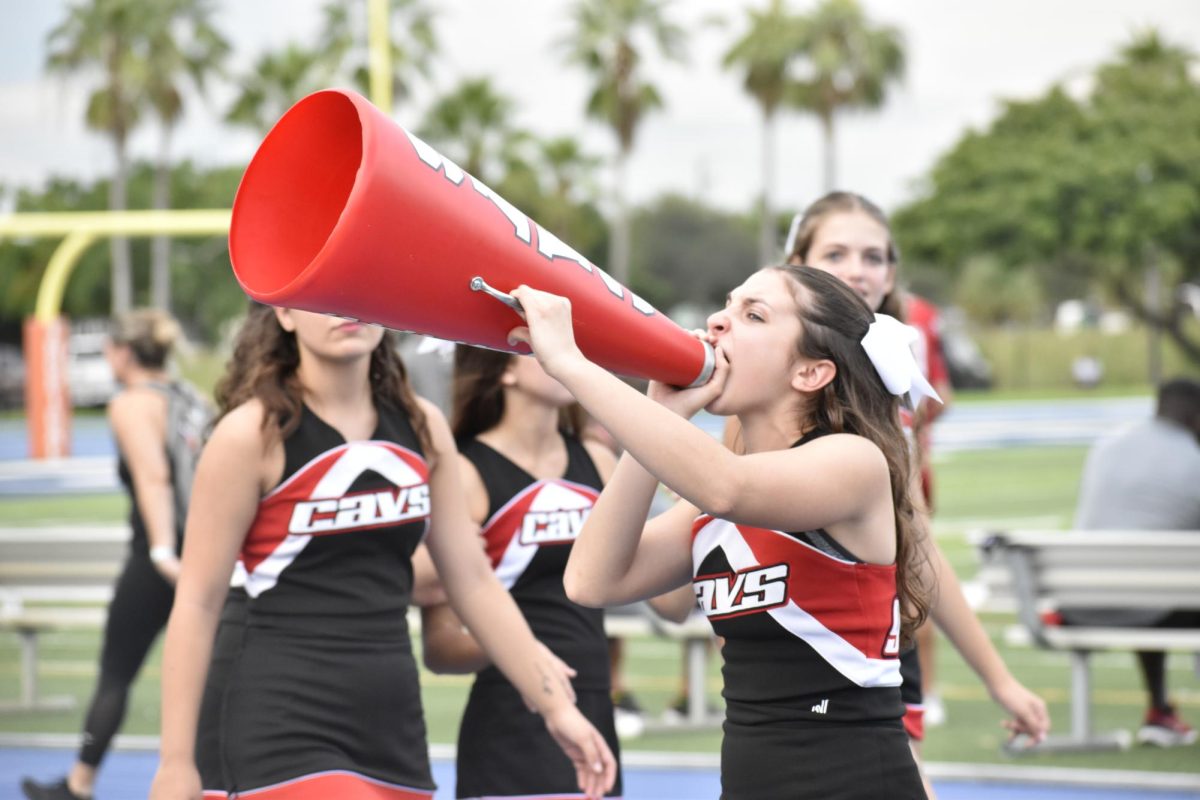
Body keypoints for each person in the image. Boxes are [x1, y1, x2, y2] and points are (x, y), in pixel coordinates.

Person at [149, 304, 615, 800]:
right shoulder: (251, 435)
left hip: (394, 727)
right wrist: (176, 764)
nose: (344, 307)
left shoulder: (422, 426)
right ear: (284, 314)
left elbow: (473, 582)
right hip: (281, 719)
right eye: (321, 297)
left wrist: (555, 708)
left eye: (357, 290)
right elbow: (198, 602)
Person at [511, 266, 933, 798]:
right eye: (726, 305)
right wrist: (660, 412)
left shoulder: (853, 462)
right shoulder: (718, 503)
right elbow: (592, 581)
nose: (716, 321)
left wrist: (571, 364)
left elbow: (726, 486)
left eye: (752, 315)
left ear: (810, 373)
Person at [781, 192, 1046, 792]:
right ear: (797, 261)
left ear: (892, 273)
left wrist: (997, 677)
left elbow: (918, 546)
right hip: (798, 653)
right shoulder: (767, 371)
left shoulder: (893, 381)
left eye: (873, 255)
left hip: (883, 643)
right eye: (836, 252)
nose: (857, 269)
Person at [23, 310, 211, 800]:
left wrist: (164, 552)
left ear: (124, 353)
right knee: (212, 672)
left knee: (116, 674)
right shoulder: (190, 396)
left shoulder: (132, 404)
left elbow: (154, 478)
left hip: (160, 557)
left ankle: (79, 783)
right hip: (208, 550)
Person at [1071, 377, 1200, 747]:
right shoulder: (1193, 461)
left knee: (1147, 582)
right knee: (1155, 586)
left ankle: (1159, 709)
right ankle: (1159, 712)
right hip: (1151, 605)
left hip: (1081, 600)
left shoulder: (1108, 448)